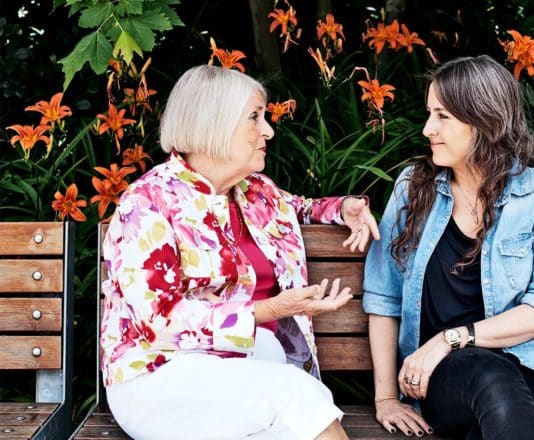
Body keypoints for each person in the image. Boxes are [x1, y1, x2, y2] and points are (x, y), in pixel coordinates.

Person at [100, 65, 380, 440]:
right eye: (254, 118)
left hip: (242, 363)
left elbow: (298, 206)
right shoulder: (147, 204)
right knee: (297, 396)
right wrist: (274, 310)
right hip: (157, 374)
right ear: (212, 122)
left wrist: (342, 208)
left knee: (289, 411)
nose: (268, 130)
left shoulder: (254, 190)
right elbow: (160, 321)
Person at [362, 55, 534, 440]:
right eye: (429, 113)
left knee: (501, 418)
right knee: (490, 375)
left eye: (442, 116)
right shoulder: (412, 189)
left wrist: (450, 338)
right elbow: (383, 298)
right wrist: (386, 398)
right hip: (446, 378)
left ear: (483, 121)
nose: (427, 129)